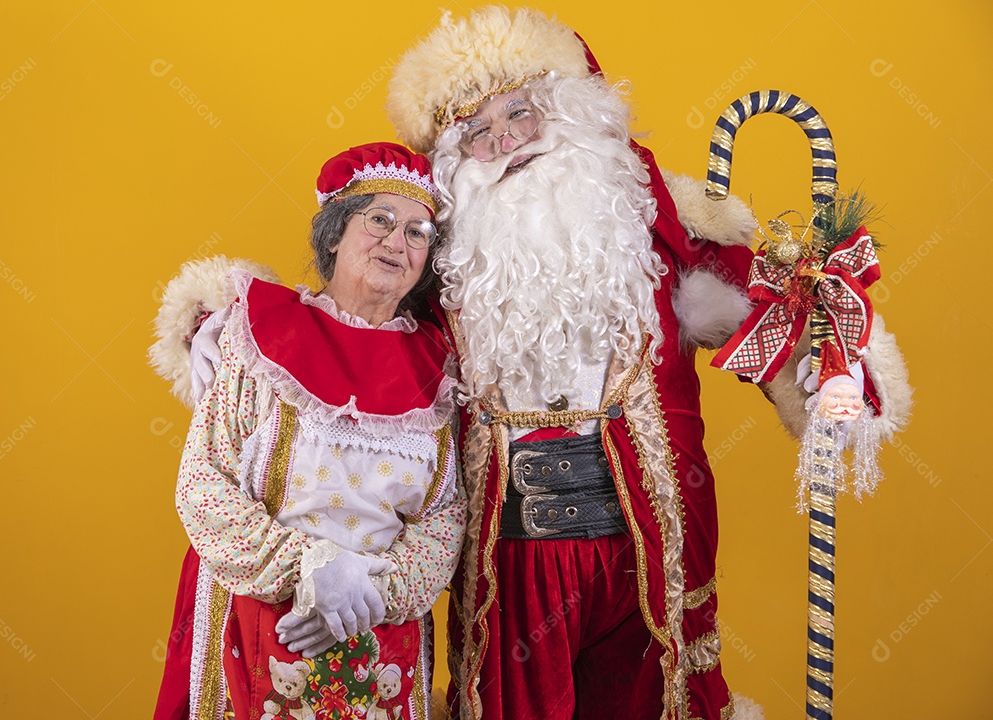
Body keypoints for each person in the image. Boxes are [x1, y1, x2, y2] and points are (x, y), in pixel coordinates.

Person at [377, 7, 910, 720]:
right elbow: (350, 345)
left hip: (650, 550)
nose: (505, 143)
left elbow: (779, 314)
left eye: (520, 114)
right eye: (478, 134)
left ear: (569, 112)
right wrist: (230, 330)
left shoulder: (659, 233)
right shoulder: (440, 278)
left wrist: (832, 378)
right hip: (511, 563)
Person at [150, 142, 467, 720]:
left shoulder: (440, 367)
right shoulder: (258, 337)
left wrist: (376, 591)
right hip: (258, 627)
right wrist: (311, 567)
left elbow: (447, 514)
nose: (398, 242)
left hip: (380, 643)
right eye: (379, 221)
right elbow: (203, 485)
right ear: (334, 234)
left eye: (419, 231)